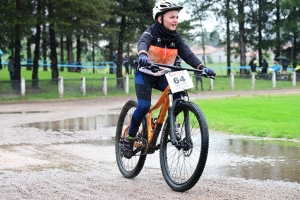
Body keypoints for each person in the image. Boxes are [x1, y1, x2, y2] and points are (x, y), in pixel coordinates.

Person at [122, 0, 215, 159]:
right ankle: (129, 138)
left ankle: (173, 126)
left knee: (179, 92)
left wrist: (202, 67)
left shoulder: (176, 37)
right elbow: (142, 42)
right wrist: (143, 55)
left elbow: (188, 54)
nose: (175, 21)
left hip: (162, 75)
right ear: (160, 19)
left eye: (177, 17)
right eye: (172, 17)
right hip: (145, 73)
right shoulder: (151, 32)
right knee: (144, 106)